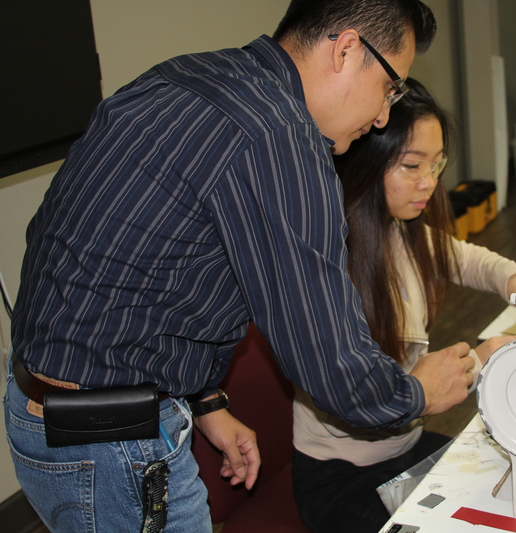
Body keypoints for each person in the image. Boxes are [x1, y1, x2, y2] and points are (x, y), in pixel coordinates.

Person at [4, 2, 479, 532]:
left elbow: (144, 270)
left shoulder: (190, 74)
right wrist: (418, 392)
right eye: (391, 88)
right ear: (346, 50)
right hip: (112, 442)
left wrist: (205, 402)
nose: (385, 115)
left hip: (41, 408)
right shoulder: (280, 138)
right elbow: (328, 358)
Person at [291, 78, 516, 532]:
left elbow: (464, 258)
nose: (429, 182)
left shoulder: (396, 227)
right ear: (367, 161)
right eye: (412, 166)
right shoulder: (329, 265)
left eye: (436, 165)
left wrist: (514, 278)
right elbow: (357, 404)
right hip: (342, 477)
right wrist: (475, 361)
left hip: (403, 448)